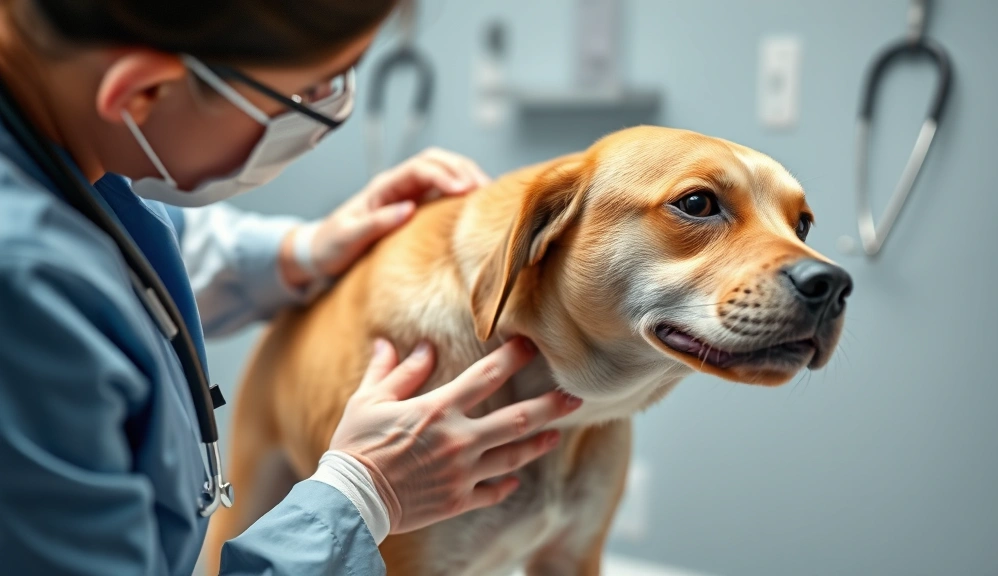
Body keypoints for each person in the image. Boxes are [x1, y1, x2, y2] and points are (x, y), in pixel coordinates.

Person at [0, 1, 583, 574]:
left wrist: (305, 251)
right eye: (305, 93)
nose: (319, 122)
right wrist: (361, 495)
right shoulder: (24, 289)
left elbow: (122, 252)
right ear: (141, 93)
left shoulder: (54, 147)